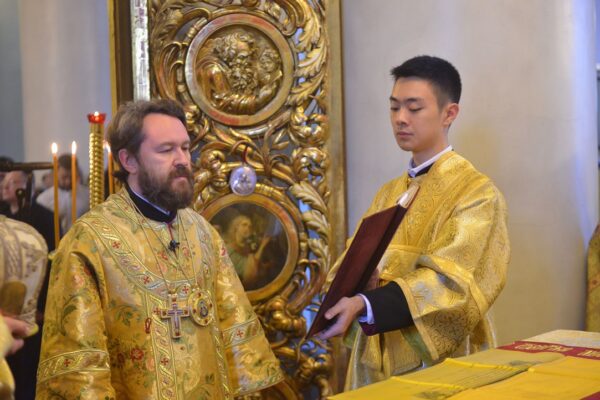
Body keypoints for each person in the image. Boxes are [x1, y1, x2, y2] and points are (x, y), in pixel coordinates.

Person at [36, 99, 283, 399]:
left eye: (184, 148)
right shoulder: (89, 241)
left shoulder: (202, 232)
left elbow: (236, 330)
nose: (182, 160)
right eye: (166, 150)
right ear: (129, 161)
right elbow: (79, 369)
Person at [317, 56, 510, 390]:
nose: (400, 119)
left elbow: (452, 283)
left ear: (449, 113)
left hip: (442, 365)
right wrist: (355, 285)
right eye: (394, 107)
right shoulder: (389, 193)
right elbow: (351, 262)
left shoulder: (476, 193)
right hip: (376, 357)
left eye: (414, 108)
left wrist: (367, 303)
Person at [0, 171, 55, 400]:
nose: (5, 187)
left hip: (32, 317)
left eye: (12, 183)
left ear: (24, 186)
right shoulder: (3, 212)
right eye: (4, 183)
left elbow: (51, 262)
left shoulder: (43, 216)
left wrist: (42, 309)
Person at [36, 153, 89, 233]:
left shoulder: (88, 195)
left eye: (72, 177)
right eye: (64, 177)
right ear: (56, 173)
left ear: (77, 173)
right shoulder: (43, 199)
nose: (68, 181)